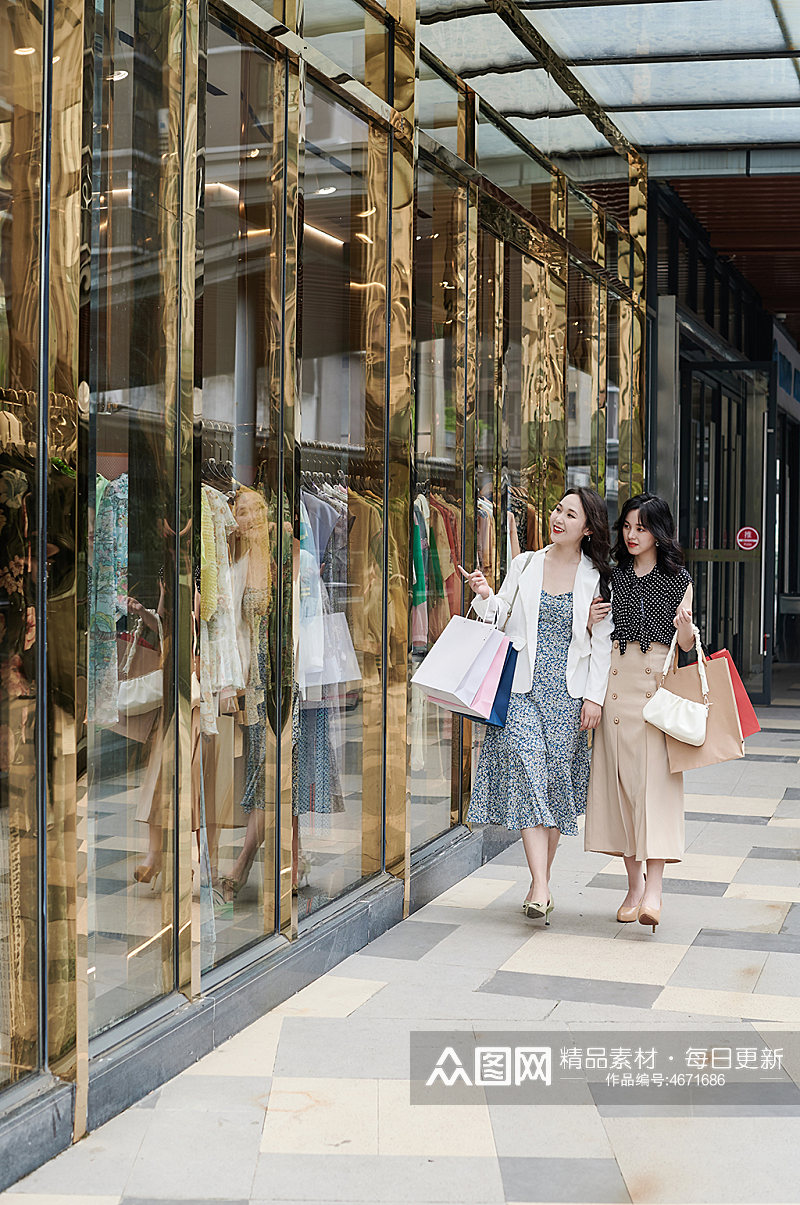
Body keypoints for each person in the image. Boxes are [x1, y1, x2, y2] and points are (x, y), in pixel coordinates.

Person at [462, 488, 613, 923]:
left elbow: (600, 646)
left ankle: (537, 884)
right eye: (557, 510)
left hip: (568, 695)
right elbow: (501, 616)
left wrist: (594, 698)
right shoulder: (525, 563)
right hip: (523, 689)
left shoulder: (595, 577)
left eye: (570, 514)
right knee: (528, 769)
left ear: (587, 528)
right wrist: (484, 594)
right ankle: (543, 884)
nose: (558, 518)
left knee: (553, 784)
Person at [584, 492, 695, 932]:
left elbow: (685, 647)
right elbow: (596, 634)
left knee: (656, 790)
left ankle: (654, 891)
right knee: (624, 790)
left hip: (657, 689)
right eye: (627, 527)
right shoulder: (612, 577)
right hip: (616, 686)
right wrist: (591, 620)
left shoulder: (677, 578)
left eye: (641, 527)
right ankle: (633, 888)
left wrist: (686, 631)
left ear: (657, 532)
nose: (631, 535)